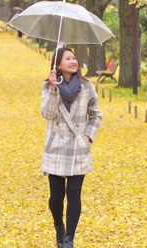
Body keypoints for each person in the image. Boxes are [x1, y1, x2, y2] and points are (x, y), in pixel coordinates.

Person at [40, 47, 102, 248]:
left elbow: (95, 114)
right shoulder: (49, 85)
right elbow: (47, 114)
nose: (73, 61)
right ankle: (59, 226)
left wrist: (87, 136)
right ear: (58, 64)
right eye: (68, 58)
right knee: (56, 198)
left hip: (77, 147)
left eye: (74, 58)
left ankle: (68, 239)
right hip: (57, 147)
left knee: (74, 195)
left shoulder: (86, 86)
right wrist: (53, 89)